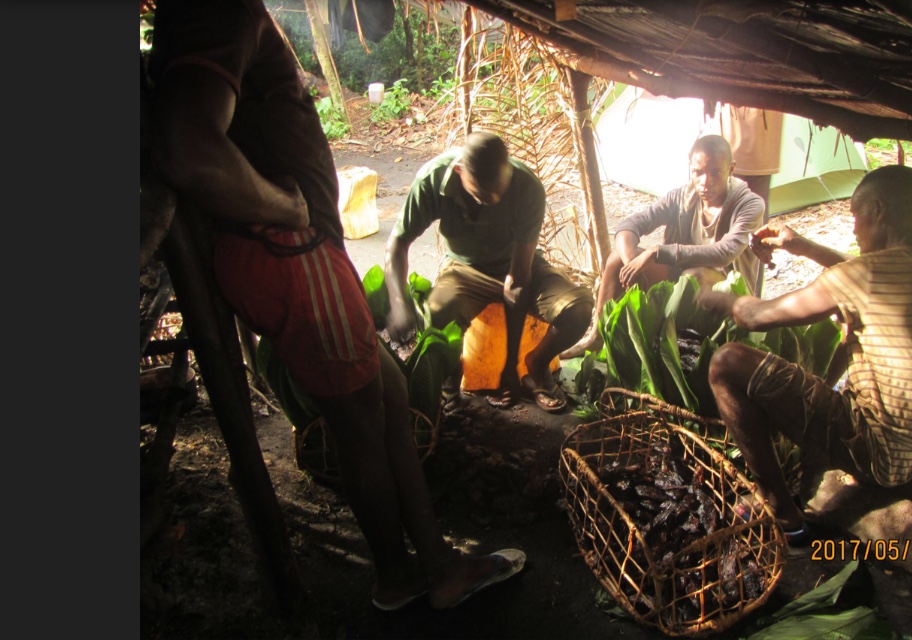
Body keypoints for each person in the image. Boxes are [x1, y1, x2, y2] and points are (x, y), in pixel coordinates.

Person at [146, 0, 524, 610]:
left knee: (391, 396)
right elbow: (187, 147)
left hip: (305, 255)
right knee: (358, 427)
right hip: (293, 254)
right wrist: (282, 208)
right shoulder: (217, 8)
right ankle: (403, 577)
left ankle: (432, 560)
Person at [698, 165, 912, 545]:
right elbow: (875, 273)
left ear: (877, 210)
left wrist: (714, 295)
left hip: (880, 453)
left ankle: (783, 514)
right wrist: (802, 247)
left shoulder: (864, 277)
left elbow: (754, 316)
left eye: (855, 216)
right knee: (851, 322)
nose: (852, 229)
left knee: (727, 362)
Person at [384, 131, 593, 413]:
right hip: (465, 269)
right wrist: (398, 304)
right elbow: (397, 243)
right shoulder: (432, 179)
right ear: (460, 172)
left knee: (577, 309)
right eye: (483, 194)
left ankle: (536, 366)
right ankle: (449, 386)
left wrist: (509, 367)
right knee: (436, 312)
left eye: (501, 191)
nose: (494, 199)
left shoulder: (527, 186)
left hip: (521, 266)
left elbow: (518, 281)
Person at [560, 134, 765, 359]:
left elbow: (724, 253)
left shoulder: (749, 204)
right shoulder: (681, 197)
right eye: (698, 173)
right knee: (616, 259)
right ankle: (597, 336)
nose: (706, 182)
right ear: (690, 167)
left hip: (729, 289)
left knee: (691, 276)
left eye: (715, 172)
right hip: (685, 277)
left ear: (731, 168)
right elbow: (631, 225)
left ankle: (664, 342)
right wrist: (631, 265)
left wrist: (656, 252)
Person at [715, 105, 784, 297]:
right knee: (726, 224)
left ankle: (750, 298)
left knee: (753, 231)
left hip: (760, 136)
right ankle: (734, 295)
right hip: (731, 138)